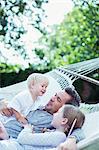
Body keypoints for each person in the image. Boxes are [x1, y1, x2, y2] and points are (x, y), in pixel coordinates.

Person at [0, 87, 84, 150]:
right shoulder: (37, 104)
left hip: (6, 138)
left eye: (58, 99)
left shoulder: (54, 122)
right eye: (55, 95)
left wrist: (72, 139)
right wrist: (2, 103)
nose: (52, 98)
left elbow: (78, 129)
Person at [16, 104, 85, 149]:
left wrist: (27, 129)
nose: (54, 114)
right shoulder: (56, 135)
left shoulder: (59, 136)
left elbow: (22, 138)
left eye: (58, 112)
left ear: (63, 121)